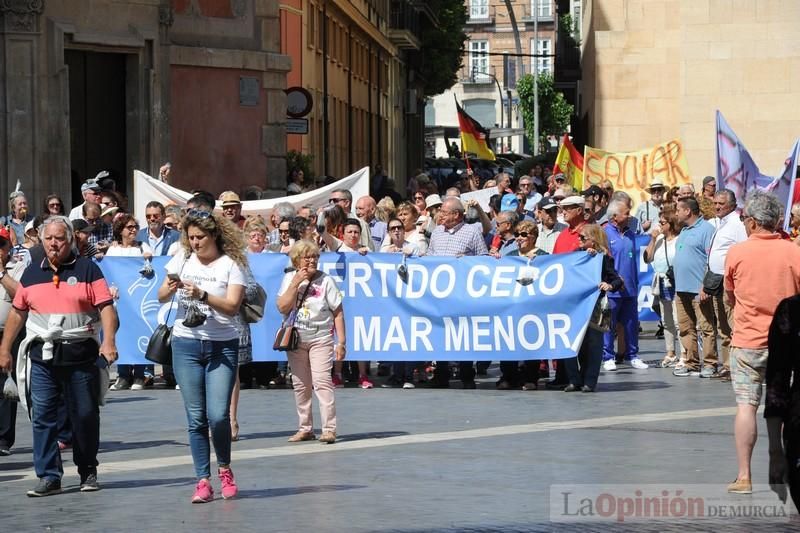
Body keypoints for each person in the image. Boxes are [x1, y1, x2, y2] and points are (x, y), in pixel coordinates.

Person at [0, 215, 118, 496]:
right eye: (49, 238)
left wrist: (109, 341)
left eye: (60, 238)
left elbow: (106, 308)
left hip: (81, 355)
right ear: (41, 240)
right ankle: (49, 476)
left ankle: (88, 470)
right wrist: (4, 348)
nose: (54, 244)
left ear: (70, 240)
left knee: (85, 414)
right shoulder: (30, 273)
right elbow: (18, 312)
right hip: (42, 356)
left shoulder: (88, 269)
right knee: (41, 415)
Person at [157, 209, 246, 503]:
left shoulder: (230, 266)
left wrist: (203, 294)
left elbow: (233, 306)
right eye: (190, 237)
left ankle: (224, 469)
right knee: (196, 418)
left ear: (214, 236)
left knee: (218, 415)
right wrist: (169, 289)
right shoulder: (181, 259)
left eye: (200, 237)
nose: (194, 243)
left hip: (222, 344)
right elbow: (160, 296)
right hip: (186, 344)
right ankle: (202, 480)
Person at [723, 191, 800, 495]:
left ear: (753, 223)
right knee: (780, 401)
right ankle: (777, 455)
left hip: (747, 341)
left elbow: (729, 295)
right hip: (787, 341)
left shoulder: (737, 252)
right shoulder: (794, 251)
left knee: (746, 405)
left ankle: (744, 475)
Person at [278, 240, 344, 442]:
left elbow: (338, 312)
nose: (312, 260)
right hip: (296, 338)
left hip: (321, 337)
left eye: (315, 256)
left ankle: (329, 428)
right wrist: (295, 283)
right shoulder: (290, 277)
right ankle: (305, 427)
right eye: (307, 257)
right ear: (298, 260)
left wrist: (341, 341)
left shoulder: (326, 281)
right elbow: (282, 307)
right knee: (300, 384)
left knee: (322, 382)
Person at [426, 197, 488, 388]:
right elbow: (429, 257)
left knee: (463, 333)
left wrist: (468, 263)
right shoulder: (437, 232)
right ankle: (441, 373)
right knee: (440, 332)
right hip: (440, 294)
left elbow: (484, 259)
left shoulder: (472, 232)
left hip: (463, 295)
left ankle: (466, 374)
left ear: (456, 214)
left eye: (444, 212)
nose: (440, 215)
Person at [564, 224, 624, 392]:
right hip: (575, 306)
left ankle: (589, 381)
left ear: (594, 241)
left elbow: (617, 280)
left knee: (594, 344)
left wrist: (608, 285)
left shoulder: (603, 258)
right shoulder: (576, 256)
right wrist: (584, 257)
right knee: (573, 342)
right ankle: (574, 379)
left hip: (596, 306)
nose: (579, 240)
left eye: (583, 238)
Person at [106, 215, 153, 391]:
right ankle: (123, 375)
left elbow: (149, 263)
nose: (133, 230)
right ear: (120, 230)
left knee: (137, 334)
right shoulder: (113, 251)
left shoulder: (142, 247)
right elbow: (110, 272)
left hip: (137, 301)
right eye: (129, 227)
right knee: (121, 336)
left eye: (135, 226)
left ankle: (139, 375)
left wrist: (148, 257)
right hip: (119, 302)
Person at [704, 189, 747, 380]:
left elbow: (743, 251)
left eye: (721, 203)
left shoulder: (737, 224)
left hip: (729, 280)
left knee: (733, 324)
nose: (717, 206)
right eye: (715, 203)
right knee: (722, 326)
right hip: (716, 280)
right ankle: (727, 365)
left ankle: (738, 366)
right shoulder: (720, 223)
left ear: (732, 204)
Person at [672, 197, 716, 378]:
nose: (676, 213)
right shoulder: (683, 231)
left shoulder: (707, 230)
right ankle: (691, 363)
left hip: (699, 290)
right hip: (681, 289)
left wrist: (706, 287)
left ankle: (710, 364)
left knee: (706, 328)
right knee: (685, 328)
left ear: (688, 211)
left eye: (678, 210)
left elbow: (711, 260)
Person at [601, 200, 648, 371]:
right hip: (613, 289)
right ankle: (608, 356)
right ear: (614, 217)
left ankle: (632, 356)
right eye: (626, 213)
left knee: (631, 324)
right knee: (609, 325)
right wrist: (611, 281)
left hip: (630, 289)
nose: (630, 216)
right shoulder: (604, 234)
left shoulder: (630, 234)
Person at [500, 220, 547, 391]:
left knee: (531, 341)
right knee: (509, 340)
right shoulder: (511, 256)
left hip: (533, 306)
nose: (519, 238)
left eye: (523, 235)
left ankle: (531, 377)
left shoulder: (543, 256)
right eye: (517, 235)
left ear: (533, 237)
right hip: (511, 306)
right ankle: (508, 376)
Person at [0, 227, 29, 455]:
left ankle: (3, 439)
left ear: (10, 246)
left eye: (1, 244)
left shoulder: (18, 266)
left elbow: (21, 295)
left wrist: (2, 274)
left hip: (7, 333)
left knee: (5, 386)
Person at [644, 208, 681, 368]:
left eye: (663, 222)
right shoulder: (659, 239)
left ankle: (685, 354)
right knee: (666, 320)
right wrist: (652, 240)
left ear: (671, 224)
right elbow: (647, 258)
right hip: (661, 282)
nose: (659, 225)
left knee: (678, 320)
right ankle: (670, 353)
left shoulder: (679, 239)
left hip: (675, 282)